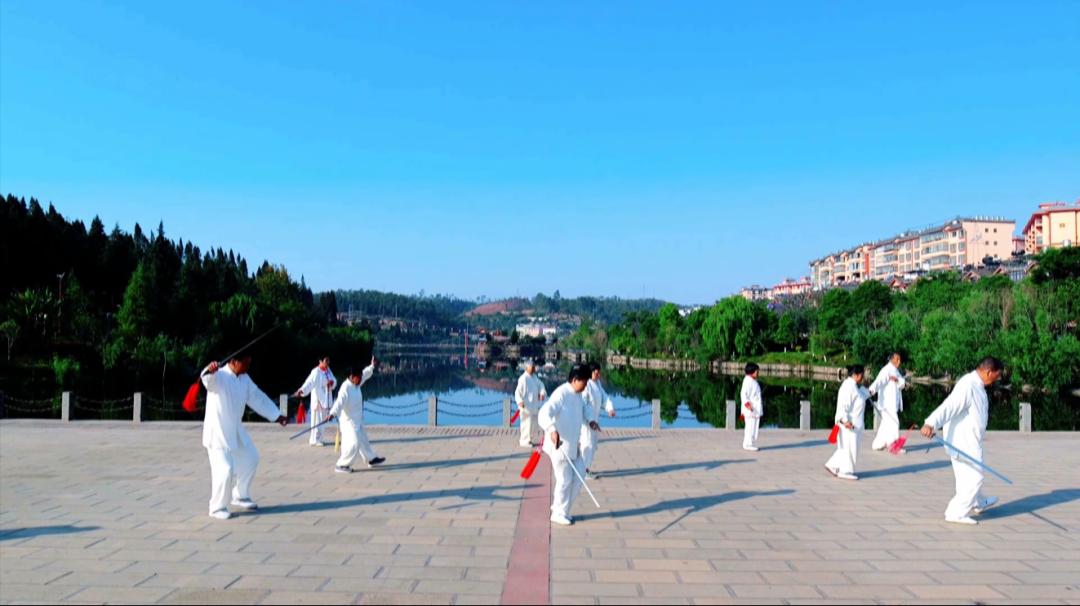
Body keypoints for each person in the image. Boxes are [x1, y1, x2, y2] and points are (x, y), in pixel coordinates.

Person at [201, 354, 288, 520]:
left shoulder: (245, 379)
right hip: (217, 432)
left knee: (251, 458)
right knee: (225, 469)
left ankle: (240, 495)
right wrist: (209, 370)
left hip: (235, 429)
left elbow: (257, 397)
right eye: (246, 363)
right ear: (234, 362)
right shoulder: (219, 376)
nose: (248, 366)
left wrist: (276, 415)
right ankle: (217, 507)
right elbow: (206, 380)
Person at [921, 357, 1004, 525]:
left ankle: (977, 502)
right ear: (989, 372)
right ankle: (955, 513)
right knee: (975, 477)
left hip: (969, 439)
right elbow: (949, 406)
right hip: (963, 442)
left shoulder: (977, 384)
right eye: (997, 375)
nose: (997, 379)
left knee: (965, 477)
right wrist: (931, 423)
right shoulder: (968, 385)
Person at [538, 364, 598, 526]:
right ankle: (558, 513)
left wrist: (591, 420)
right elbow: (544, 412)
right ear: (575, 379)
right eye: (584, 382)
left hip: (573, 446)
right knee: (565, 480)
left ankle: (562, 508)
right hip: (560, 446)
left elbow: (585, 408)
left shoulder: (578, 395)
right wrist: (552, 430)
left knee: (579, 475)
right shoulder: (561, 394)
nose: (586, 385)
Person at [328, 358, 385, 473]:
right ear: (352, 376)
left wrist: (372, 366)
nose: (360, 380)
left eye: (360, 377)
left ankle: (371, 459)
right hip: (348, 422)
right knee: (354, 443)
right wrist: (332, 413)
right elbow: (339, 402)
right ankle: (342, 465)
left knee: (363, 440)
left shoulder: (356, 383)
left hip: (358, 419)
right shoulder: (345, 388)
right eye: (358, 378)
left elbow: (365, 374)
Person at [824, 365, 871, 481]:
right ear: (855, 375)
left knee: (847, 448)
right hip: (849, 424)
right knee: (849, 448)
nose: (862, 378)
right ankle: (845, 471)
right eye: (861, 375)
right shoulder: (848, 387)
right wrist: (845, 421)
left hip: (854, 424)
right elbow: (843, 406)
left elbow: (863, 395)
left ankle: (833, 465)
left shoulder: (854, 387)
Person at [581, 363, 616, 479]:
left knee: (592, 445)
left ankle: (586, 469)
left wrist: (610, 408)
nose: (599, 375)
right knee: (587, 445)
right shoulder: (586, 385)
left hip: (594, 420)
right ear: (590, 373)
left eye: (599, 373)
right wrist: (590, 420)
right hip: (586, 422)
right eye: (596, 373)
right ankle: (583, 471)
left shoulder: (597, 384)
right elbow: (584, 404)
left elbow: (604, 397)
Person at [295, 357, 337, 447]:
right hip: (318, 400)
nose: (327, 363)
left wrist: (332, 383)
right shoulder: (316, 371)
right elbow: (309, 382)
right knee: (317, 420)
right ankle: (315, 439)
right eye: (325, 361)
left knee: (323, 420)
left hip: (326, 399)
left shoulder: (328, 370)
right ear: (320, 361)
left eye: (328, 361)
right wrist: (302, 390)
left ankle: (319, 439)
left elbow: (334, 380)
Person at [870, 352, 907, 452]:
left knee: (886, 425)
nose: (899, 361)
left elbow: (902, 383)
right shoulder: (886, 370)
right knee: (894, 423)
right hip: (887, 404)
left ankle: (877, 444)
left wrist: (897, 380)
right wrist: (871, 391)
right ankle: (893, 445)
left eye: (899, 359)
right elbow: (879, 381)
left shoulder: (895, 370)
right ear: (891, 359)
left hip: (892, 403)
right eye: (897, 359)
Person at [515, 360, 548, 447]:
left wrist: (542, 392)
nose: (533, 369)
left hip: (534, 405)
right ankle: (524, 441)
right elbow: (517, 392)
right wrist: (520, 401)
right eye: (532, 367)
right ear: (527, 368)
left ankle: (529, 439)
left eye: (534, 367)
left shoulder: (534, 377)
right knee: (526, 424)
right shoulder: (523, 379)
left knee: (533, 424)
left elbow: (541, 385)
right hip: (526, 406)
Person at [741, 363, 763, 451]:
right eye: (757, 371)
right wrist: (747, 405)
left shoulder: (752, 381)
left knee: (753, 427)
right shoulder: (748, 381)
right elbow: (743, 394)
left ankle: (748, 443)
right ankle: (748, 444)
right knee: (750, 427)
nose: (758, 373)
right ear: (752, 371)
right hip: (750, 409)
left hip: (755, 409)